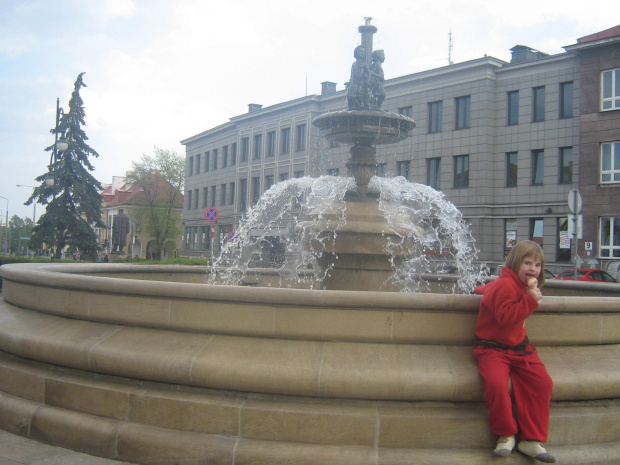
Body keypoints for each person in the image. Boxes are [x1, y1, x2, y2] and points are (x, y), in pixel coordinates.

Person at [473, 240, 555, 463]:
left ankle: (532, 439)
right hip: (492, 349)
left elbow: (488, 290)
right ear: (514, 263)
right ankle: (505, 434)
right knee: (497, 385)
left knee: (542, 382)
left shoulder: (521, 285)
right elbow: (506, 317)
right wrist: (530, 301)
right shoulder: (504, 285)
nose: (533, 269)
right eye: (527, 263)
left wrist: (481, 289)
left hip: (520, 349)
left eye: (537, 265)